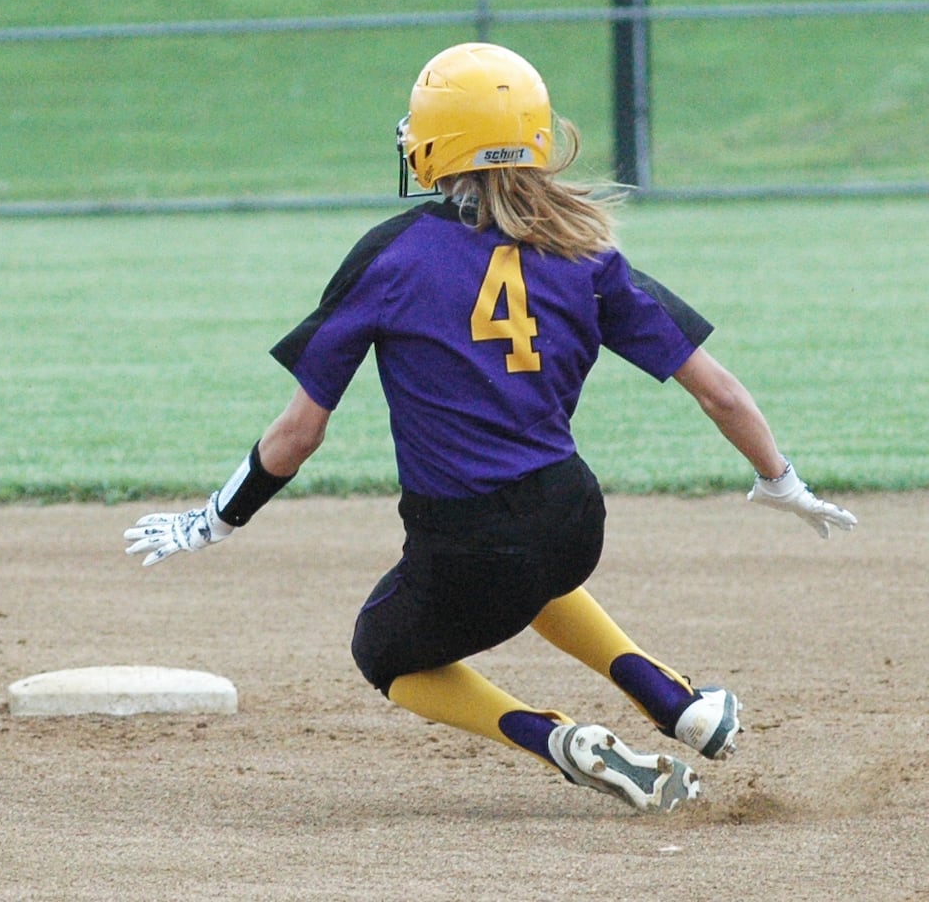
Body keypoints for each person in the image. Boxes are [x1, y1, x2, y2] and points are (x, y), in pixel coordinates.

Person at [123, 42, 856, 812]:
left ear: (438, 144)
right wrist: (781, 481)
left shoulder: (392, 255)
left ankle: (560, 741)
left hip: (468, 540)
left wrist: (215, 519)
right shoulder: (584, 248)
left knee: (385, 654)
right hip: (573, 515)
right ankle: (678, 703)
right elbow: (720, 394)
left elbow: (297, 435)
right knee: (532, 575)